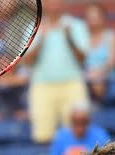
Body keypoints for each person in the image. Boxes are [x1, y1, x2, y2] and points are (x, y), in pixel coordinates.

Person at [24, 0, 90, 143]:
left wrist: (69, 37)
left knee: (77, 131)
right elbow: (27, 61)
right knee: (43, 136)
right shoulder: (34, 26)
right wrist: (40, 38)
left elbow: (83, 58)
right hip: (42, 86)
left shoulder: (76, 25)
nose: (54, 4)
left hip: (72, 83)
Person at [84, 2, 115, 102]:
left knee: (97, 83)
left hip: (107, 76)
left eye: (96, 16)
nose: (93, 19)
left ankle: (100, 109)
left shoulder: (112, 36)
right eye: (90, 16)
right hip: (85, 76)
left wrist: (98, 72)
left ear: (103, 17)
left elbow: (112, 62)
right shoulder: (82, 37)